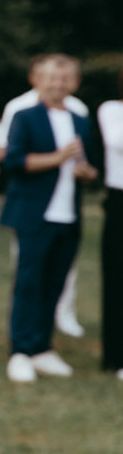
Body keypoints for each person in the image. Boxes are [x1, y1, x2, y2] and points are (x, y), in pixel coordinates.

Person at [0, 55, 98, 383]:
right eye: (53, 78)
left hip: (68, 216)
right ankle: (20, 351)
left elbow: (89, 167)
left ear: (75, 83)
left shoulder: (81, 120)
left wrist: (85, 172)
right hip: (33, 213)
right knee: (28, 283)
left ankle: (42, 347)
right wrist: (57, 158)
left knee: (55, 283)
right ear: (40, 81)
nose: (59, 84)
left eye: (65, 78)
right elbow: (13, 161)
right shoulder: (25, 116)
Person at [98, 66, 123, 381]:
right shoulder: (111, 110)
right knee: (118, 279)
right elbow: (117, 142)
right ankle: (117, 355)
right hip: (120, 201)